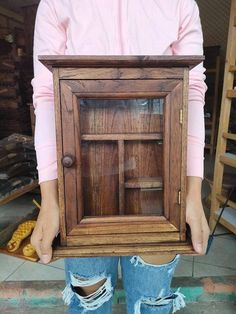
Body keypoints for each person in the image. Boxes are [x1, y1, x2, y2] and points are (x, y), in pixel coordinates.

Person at [31, 0, 210, 313]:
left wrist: (192, 194)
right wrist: (51, 199)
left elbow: (191, 92)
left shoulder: (181, 3)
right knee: (89, 304)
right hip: (83, 188)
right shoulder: (56, 2)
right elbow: (47, 95)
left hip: (159, 187)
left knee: (152, 303)